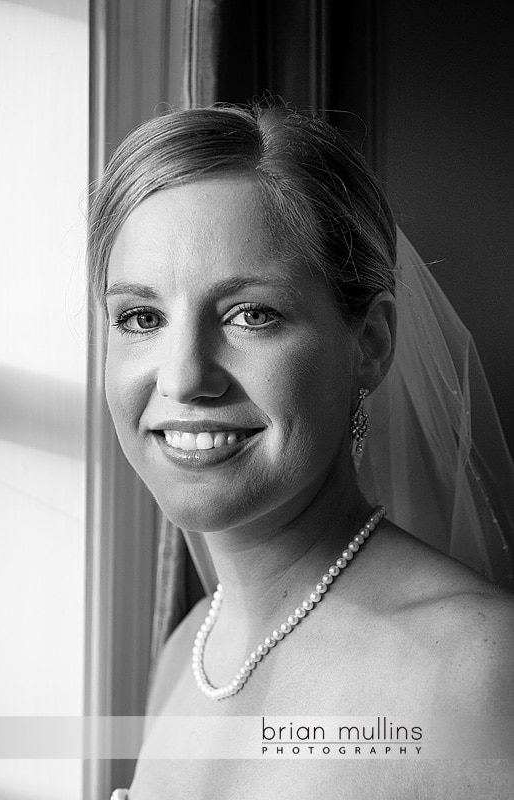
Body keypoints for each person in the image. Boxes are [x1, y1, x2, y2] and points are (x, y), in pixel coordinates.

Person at [88, 104, 514, 799]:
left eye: (251, 315)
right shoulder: (189, 653)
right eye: (141, 318)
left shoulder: (479, 674)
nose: (184, 377)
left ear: (370, 344)